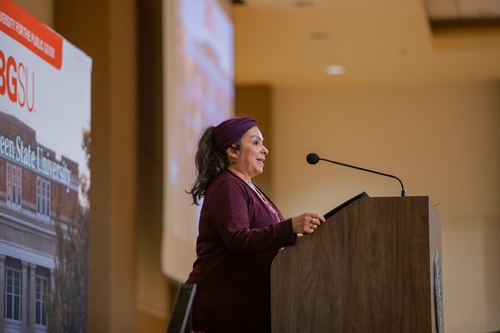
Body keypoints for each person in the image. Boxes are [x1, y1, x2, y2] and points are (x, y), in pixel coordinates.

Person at [185, 116, 325, 333]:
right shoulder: (228, 186)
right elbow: (238, 239)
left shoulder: (248, 187)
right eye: (256, 142)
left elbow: (266, 240)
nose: (265, 150)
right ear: (232, 151)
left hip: (244, 306)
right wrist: (290, 228)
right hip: (224, 309)